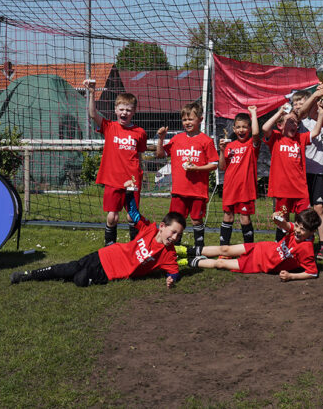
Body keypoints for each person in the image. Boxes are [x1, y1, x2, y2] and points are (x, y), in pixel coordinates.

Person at [11, 190, 186, 288]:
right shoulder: (149, 228)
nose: (174, 237)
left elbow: (174, 272)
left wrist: (172, 279)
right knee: (71, 267)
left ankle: (71, 277)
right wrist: (129, 192)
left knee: (79, 279)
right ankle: (28, 275)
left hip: (110, 273)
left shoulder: (167, 254)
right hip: (106, 254)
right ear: (162, 226)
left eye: (178, 235)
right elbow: (133, 213)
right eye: (173, 232)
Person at [85, 80, 149, 245]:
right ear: (115, 110)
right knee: (112, 216)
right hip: (113, 179)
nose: (124, 112)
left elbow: (140, 157)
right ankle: (110, 247)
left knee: (132, 215)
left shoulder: (140, 132)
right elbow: (93, 114)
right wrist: (92, 93)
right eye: (121, 109)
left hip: (132, 180)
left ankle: (134, 248)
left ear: (134, 112)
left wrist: (141, 175)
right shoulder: (109, 127)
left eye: (128, 110)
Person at [155, 101, 219, 256]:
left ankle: (199, 250)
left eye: (191, 119)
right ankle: (173, 250)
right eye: (185, 120)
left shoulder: (206, 140)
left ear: (200, 119)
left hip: (197, 190)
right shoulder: (177, 139)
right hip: (179, 190)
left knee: (196, 220)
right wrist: (161, 138)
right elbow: (160, 155)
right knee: (176, 221)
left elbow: (214, 164)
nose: (187, 122)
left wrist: (197, 168)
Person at [187, 209, 321, 281]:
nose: (297, 230)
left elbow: (312, 273)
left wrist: (291, 276)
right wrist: (276, 217)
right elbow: (285, 225)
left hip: (259, 264)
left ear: (312, 232)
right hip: (261, 247)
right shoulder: (295, 229)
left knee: (220, 264)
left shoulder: (306, 248)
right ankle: (186, 250)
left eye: (302, 229)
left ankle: (186, 261)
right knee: (224, 249)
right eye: (297, 226)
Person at [260, 101, 323, 240]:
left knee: (304, 220)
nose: (294, 125)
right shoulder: (276, 138)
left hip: (300, 189)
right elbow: (265, 128)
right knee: (281, 220)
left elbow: (316, 131)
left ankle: (303, 249)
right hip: (282, 189)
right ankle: (281, 248)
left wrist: (321, 113)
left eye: (296, 122)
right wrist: (280, 113)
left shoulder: (300, 138)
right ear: (280, 125)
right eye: (290, 122)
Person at [291, 85, 323, 260]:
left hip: (318, 170)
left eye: (302, 102)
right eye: (296, 103)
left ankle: (322, 245)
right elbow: (300, 113)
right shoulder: (294, 122)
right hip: (299, 172)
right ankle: (301, 240)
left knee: (319, 208)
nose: (299, 105)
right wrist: (315, 95)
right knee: (301, 209)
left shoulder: (316, 124)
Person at [217, 106, 261, 247]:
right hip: (230, 188)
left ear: (248, 129)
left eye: (244, 127)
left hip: (245, 190)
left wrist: (253, 113)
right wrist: (222, 151)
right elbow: (222, 166)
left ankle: (249, 250)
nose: (241, 130)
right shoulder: (230, 145)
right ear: (234, 130)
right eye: (238, 127)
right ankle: (224, 251)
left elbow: (256, 133)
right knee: (227, 217)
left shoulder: (251, 145)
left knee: (244, 218)